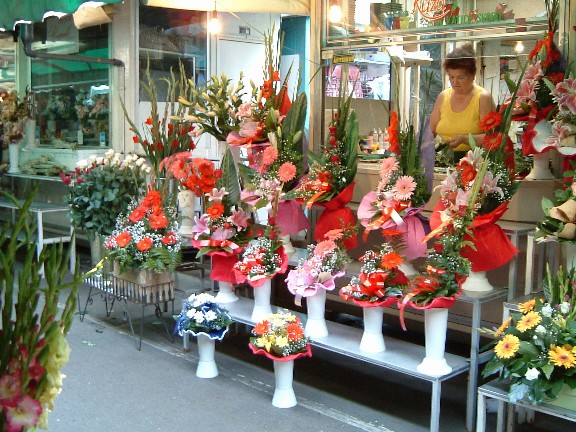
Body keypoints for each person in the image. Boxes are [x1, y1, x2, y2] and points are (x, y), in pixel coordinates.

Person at [430, 43, 494, 161]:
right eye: (451, 77)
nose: (455, 82)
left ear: (473, 74)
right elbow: (430, 132)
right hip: (443, 160)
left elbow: (492, 137)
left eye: (460, 77)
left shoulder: (483, 97)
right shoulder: (443, 96)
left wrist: (465, 139)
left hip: (474, 161)